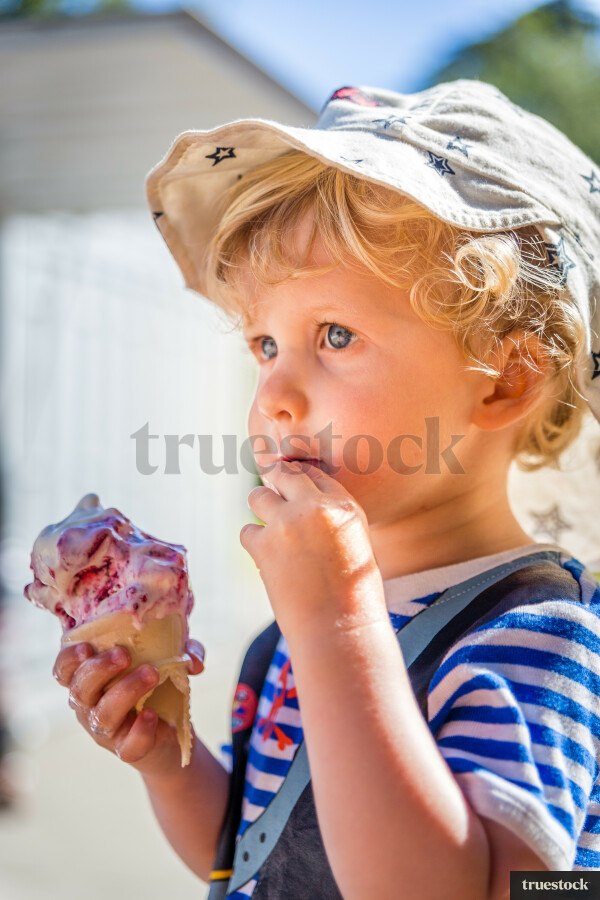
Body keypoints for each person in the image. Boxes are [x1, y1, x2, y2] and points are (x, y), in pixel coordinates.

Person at [52, 80, 600, 898]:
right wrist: (172, 765)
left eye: (336, 336)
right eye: (265, 343)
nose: (274, 392)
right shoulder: (292, 640)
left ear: (503, 383)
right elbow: (258, 853)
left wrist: (337, 623)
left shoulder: (536, 638)